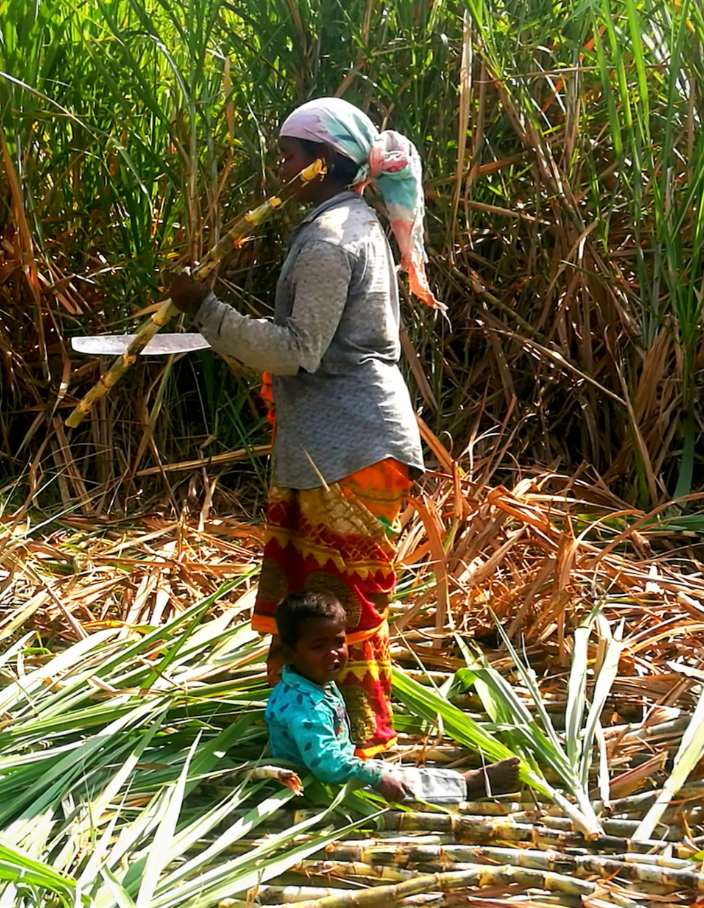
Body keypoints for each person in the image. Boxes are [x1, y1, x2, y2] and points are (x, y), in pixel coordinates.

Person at [169, 96, 443, 757]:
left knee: (338, 606)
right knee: (312, 599)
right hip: (334, 443)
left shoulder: (330, 238)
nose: (279, 170)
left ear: (324, 161)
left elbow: (298, 349)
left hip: (351, 446)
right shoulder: (348, 223)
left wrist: (207, 310)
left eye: (288, 156)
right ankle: (306, 734)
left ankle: (357, 751)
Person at [265, 591, 521, 802]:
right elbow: (327, 765)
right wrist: (374, 776)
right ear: (289, 654)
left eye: (338, 642)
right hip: (315, 787)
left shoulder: (309, 683)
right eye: (318, 646)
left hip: (332, 772)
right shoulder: (306, 706)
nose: (333, 652)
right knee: (395, 781)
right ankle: (470, 785)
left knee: (392, 772)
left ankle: (463, 785)